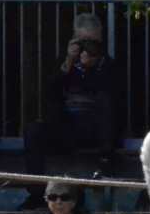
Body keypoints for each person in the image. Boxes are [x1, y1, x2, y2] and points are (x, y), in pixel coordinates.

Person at [24, 37, 115, 179]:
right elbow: (50, 90)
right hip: (65, 124)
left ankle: (105, 168)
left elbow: (110, 93)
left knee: (104, 102)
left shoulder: (106, 64)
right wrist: (69, 61)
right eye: (81, 43)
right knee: (33, 130)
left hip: (94, 129)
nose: (84, 49)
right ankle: (35, 190)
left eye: (89, 43)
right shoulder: (66, 61)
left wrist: (90, 67)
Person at [30, 179, 98, 214]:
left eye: (65, 197)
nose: (58, 202)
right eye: (52, 197)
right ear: (47, 200)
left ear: (74, 202)